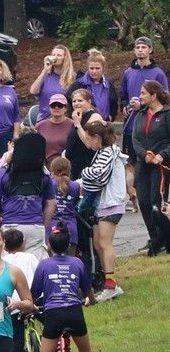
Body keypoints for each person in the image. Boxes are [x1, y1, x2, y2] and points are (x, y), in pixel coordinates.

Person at [27, 223, 115, 352]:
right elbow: (87, 290)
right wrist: (91, 301)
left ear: (49, 244)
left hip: (53, 314)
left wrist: (31, 307)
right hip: (75, 312)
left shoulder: (44, 265)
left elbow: (34, 294)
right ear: (68, 244)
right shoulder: (77, 263)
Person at [79, 119, 127, 301]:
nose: (88, 142)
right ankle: (110, 282)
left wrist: (84, 172)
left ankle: (111, 285)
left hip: (111, 203)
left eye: (89, 138)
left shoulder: (108, 152)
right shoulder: (101, 152)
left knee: (105, 243)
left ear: (97, 138)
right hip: (102, 203)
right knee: (98, 243)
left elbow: (98, 176)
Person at [0, 132, 56, 261]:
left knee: (9, 266)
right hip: (35, 226)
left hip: (10, 225)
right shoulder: (44, 176)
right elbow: (51, 204)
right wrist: (43, 224)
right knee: (34, 266)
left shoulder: (4, 174)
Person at [119, 37, 167, 210]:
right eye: (137, 47)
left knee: (150, 164)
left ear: (150, 50)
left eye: (144, 47)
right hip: (131, 126)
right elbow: (123, 95)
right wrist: (125, 107)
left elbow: (164, 97)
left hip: (151, 125)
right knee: (131, 163)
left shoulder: (158, 73)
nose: (140, 50)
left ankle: (154, 198)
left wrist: (143, 106)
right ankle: (137, 199)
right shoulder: (128, 72)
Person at [130, 80, 170, 256]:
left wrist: (163, 154)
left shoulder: (167, 114)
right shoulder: (140, 114)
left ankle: (162, 240)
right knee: (144, 203)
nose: (140, 96)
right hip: (143, 164)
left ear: (154, 95)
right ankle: (156, 238)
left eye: (144, 93)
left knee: (156, 203)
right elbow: (135, 139)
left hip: (160, 165)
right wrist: (143, 155)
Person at [0, 227, 40, 352]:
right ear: (23, 244)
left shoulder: (3, 261)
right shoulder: (30, 257)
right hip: (33, 299)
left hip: (14, 303)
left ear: (4, 245)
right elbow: (39, 273)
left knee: (16, 338)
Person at [69, 49, 117, 122]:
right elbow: (68, 101)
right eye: (91, 68)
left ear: (103, 69)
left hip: (104, 124)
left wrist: (111, 116)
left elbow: (114, 102)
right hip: (85, 124)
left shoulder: (108, 84)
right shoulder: (79, 84)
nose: (94, 71)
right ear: (88, 68)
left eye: (97, 68)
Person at [29, 44, 75, 121]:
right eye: (53, 54)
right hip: (44, 120)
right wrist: (44, 71)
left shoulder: (72, 78)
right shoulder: (46, 76)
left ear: (65, 59)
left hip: (65, 121)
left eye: (59, 55)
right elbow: (33, 91)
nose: (55, 57)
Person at [49, 157, 80, 256]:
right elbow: (77, 204)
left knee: (52, 262)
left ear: (52, 172)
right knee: (70, 261)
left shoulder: (49, 185)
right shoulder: (75, 186)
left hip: (52, 229)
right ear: (69, 171)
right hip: (71, 229)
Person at [35, 94, 74, 162]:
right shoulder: (40, 126)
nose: (56, 107)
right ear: (49, 108)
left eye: (60, 105)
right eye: (53, 105)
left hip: (66, 166)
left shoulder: (73, 125)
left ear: (65, 108)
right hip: (46, 166)